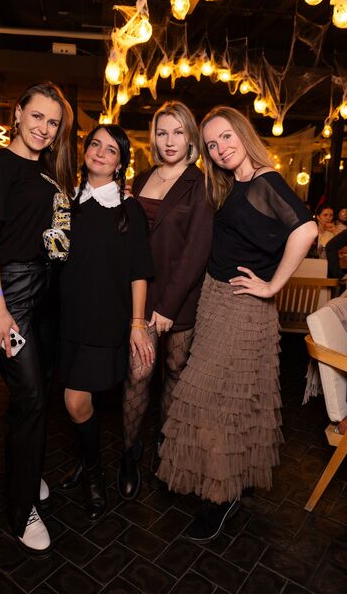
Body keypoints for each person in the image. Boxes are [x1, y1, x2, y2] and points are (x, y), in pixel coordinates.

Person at [157, 105, 317, 542]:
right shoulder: (235, 183)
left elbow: (306, 230)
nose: (220, 148)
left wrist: (272, 285)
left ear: (244, 134)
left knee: (213, 400)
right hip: (217, 300)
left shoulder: (265, 180)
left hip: (242, 306)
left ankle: (220, 497)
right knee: (238, 399)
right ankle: (234, 481)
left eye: (226, 137)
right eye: (212, 144)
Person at [0, 82, 73, 555]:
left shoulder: (47, 170)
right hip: (10, 292)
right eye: (36, 117)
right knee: (28, 395)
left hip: (44, 290)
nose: (44, 128)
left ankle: (27, 473)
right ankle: (20, 508)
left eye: (53, 123)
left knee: (39, 390)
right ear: (17, 113)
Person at [115, 101, 214, 501]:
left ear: (190, 137)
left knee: (174, 373)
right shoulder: (141, 178)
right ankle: (128, 453)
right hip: (140, 293)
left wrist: (168, 307)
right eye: (162, 132)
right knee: (138, 374)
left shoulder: (200, 183)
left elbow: (196, 252)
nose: (169, 141)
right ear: (153, 137)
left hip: (179, 298)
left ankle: (165, 447)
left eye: (178, 132)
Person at [58, 124, 154, 520]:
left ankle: (94, 471)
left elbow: (139, 271)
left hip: (104, 318)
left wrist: (137, 323)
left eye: (111, 149)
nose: (100, 152)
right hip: (64, 318)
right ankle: (88, 461)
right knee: (75, 401)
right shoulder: (66, 201)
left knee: (76, 400)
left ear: (120, 162)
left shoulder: (128, 208)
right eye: (95, 144)